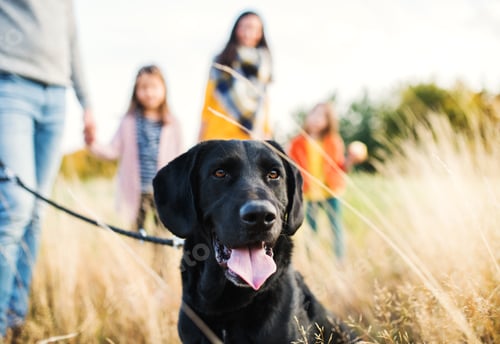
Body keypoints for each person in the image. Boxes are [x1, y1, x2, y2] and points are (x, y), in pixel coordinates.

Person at [0, 0, 96, 338]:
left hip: (56, 95)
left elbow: (71, 37)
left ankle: (15, 318)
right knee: (15, 207)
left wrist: (87, 103)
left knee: (36, 212)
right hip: (9, 86)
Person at [88, 65, 183, 233]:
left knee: (161, 234)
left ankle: (159, 260)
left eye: (154, 87)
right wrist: (92, 143)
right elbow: (112, 150)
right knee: (136, 233)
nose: (149, 92)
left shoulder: (172, 124)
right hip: (137, 193)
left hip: (164, 193)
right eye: (143, 88)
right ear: (136, 91)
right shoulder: (128, 122)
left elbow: (182, 159)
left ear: (164, 89)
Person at [288, 102, 366, 260]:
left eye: (322, 116)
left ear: (328, 121)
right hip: (309, 194)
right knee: (311, 229)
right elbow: (293, 167)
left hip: (331, 191)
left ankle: (340, 261)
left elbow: (340, 167)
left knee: (336, 227)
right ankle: (312, 261)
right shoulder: (297, 143)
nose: (317, 119)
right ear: (308, 116)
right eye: (314, 114)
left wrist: (351, 159)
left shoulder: (333, 141)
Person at [198, 10, 273, 141]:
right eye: (244, 27)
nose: (248, 33)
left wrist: (266, 135)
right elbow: (207, 103)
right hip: (218, 137)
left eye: (254, 28)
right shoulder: (221, 61)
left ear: (260, 34)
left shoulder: (264, 66)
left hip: (250, 139)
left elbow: (264, 105)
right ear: (236, 30)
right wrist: (200, 140)